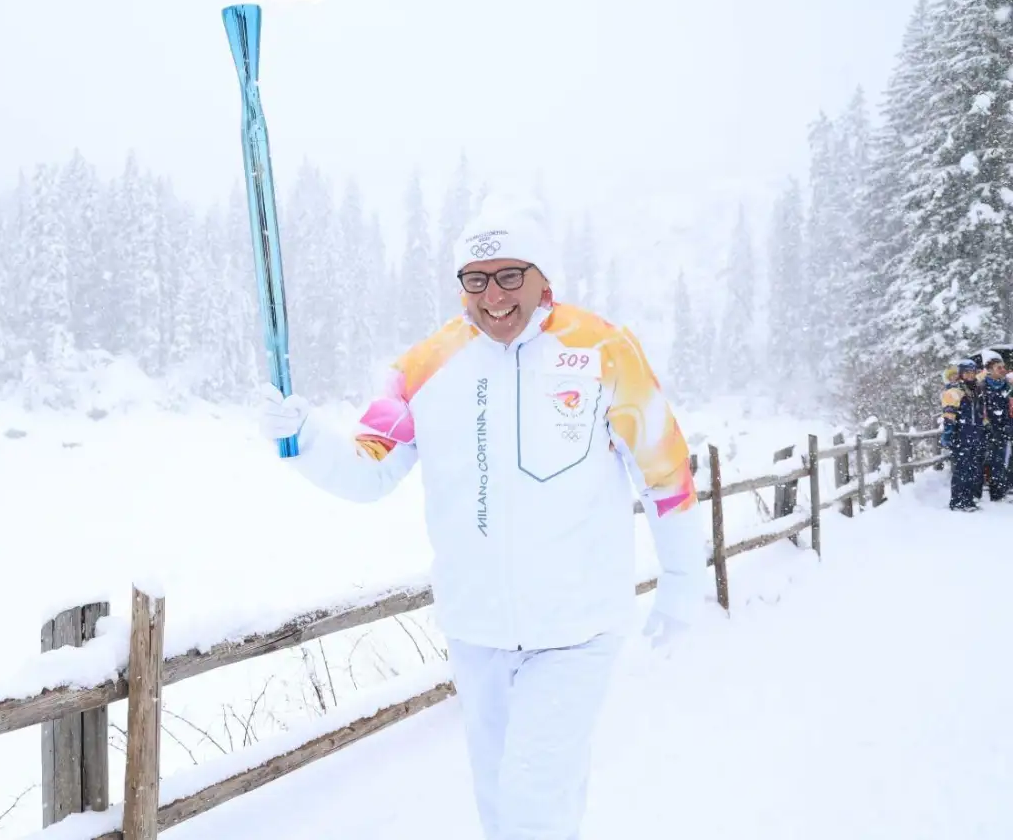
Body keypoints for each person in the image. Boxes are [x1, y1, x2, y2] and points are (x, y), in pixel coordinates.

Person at [257, 201, 708, 840]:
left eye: (509, 276)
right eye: (476, 279)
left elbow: (664, 469)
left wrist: (684, 580)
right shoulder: (422, 368)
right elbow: (370, 470)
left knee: (530, 809)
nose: (492, 296)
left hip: (577, 627)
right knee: (508, 808)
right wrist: (304, 439)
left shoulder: (604, 349)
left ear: (543, 278)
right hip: (477, 630)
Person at [940, 357, 987, 511]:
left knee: (973, 469)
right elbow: (949, 416)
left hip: (976, 434)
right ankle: (958, 501)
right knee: (962, 469)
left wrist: (985, 428)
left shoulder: (976, 389)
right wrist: (948, 434)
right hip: (962, 435)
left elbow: (980, 414)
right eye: (966, 372)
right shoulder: (955, 391)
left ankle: (969, 499)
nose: (970, 375)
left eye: (972, 372)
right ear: (960, 373)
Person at [982, 352, 1010, 502]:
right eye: (998, 367)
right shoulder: (983, 386)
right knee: (993, 460)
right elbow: (982, 408)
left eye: (1003, 367)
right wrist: (988, 425)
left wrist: (1007, 424)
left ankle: (1004, 488)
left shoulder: (1006, 385)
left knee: (1005, 459)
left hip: (1005, 427)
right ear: (990, 369)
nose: (1002, 370)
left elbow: (1008, 406)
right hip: (990, 428)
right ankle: (996, 492)